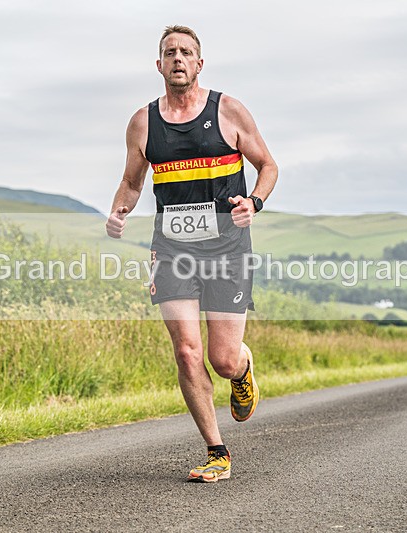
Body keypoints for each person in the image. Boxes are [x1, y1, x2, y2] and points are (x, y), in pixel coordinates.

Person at [105, 25, 278, 482]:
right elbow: (132, 180)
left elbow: (268, 165)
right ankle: (216, 451)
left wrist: (253, 201)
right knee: (186, 352)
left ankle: (241, 369)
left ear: (199, 64)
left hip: (227, 250)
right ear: (159, 65)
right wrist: (118, 210)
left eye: (186, 52)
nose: (177, 58)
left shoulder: (229, 110)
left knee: (222, 359)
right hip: (173, 250)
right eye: (169, 52)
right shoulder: (143, 122)